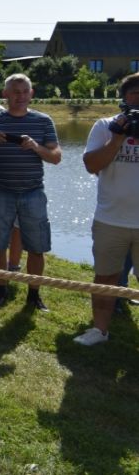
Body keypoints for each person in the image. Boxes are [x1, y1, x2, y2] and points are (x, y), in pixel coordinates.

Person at [0, 74, 61, 311]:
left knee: (37, 247)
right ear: (5, 94)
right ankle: (0, 289)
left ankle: (34, 295)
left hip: (33, 192)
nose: (20, 96)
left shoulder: (43, 121)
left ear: (31, 94)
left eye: (25, 91)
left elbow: (56, 157)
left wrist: (36, 147)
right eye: (15, 92)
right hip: (1, 191)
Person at [74, 73, 139, 345]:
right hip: (110, 220)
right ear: (123, 98)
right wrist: (116, 139)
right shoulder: (104, 126)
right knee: (105, 277)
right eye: (135, 94)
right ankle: (99, 330)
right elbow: (91, 165)